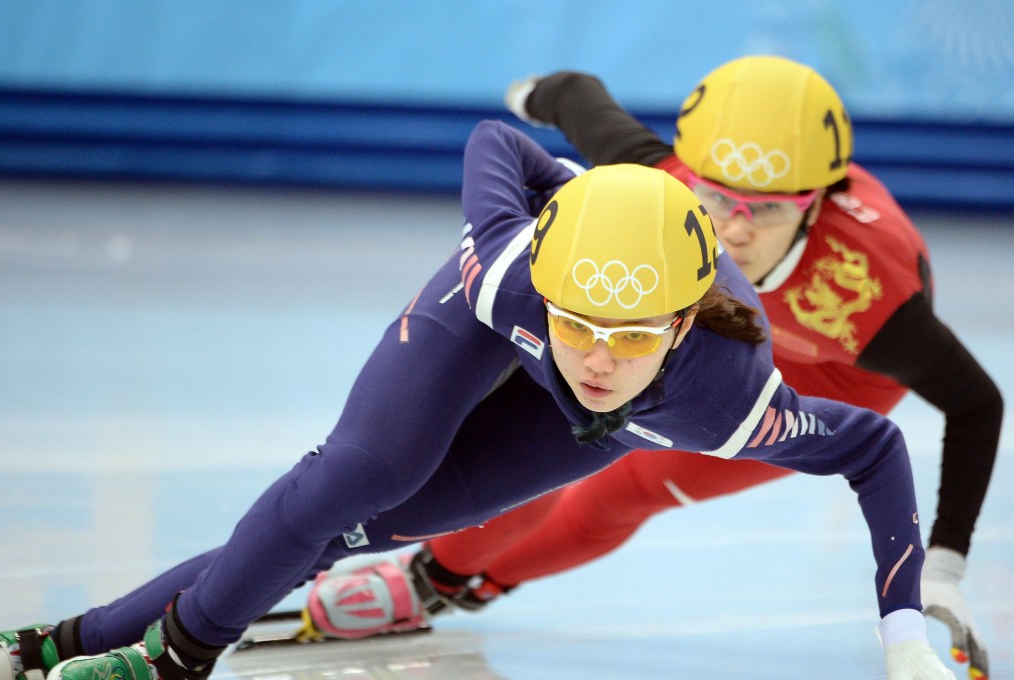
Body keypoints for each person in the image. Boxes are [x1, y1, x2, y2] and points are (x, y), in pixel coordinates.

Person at [0, 120, 955, 680]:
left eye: (632, 338)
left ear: (681, 325)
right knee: (364, 474)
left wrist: (902, 630)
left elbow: (874, 448)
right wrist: (556, 218)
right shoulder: (510, 270)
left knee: (360, 532)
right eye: (583, 326)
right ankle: (170, 662)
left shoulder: (733, 402)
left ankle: (60, 645)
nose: (599, 357)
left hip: (600, 408)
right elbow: (498, 140)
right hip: (495, 317)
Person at [305, 57, 1002, 678]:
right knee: (569, 414)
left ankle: (440, 583)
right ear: (687, 173)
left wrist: (943, 566)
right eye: (718, 198)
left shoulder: (866, 301)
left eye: (768, 209)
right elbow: (574, 95)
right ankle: (443, 560)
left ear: (816, 203)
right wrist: (528, 92)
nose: (735, 228)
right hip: (716, 321)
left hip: (829, 370)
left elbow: (977, 404)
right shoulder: (660, 178)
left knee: (626, 484)